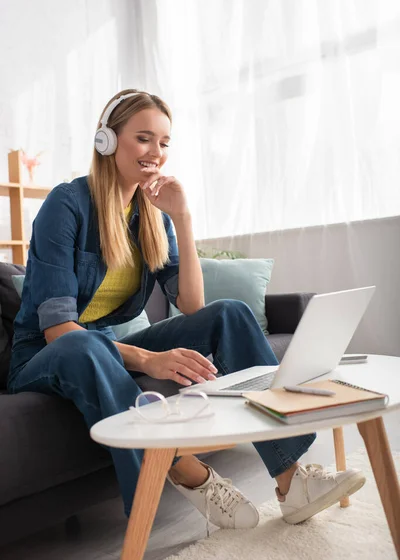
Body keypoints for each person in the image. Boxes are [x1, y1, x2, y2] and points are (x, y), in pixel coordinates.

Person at [8, 89, 365, 530]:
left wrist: (181, 217)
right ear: (107, 141)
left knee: (230, 312)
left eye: (164, 142)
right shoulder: (67, 205)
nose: (156, 152)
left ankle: (291, 481)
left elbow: (193, 305)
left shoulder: (150, 215)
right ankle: (191, 475)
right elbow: (60, 331)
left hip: (102, 347)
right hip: (44, 357)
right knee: (87, 348)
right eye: (143, 138)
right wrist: (148, 358)